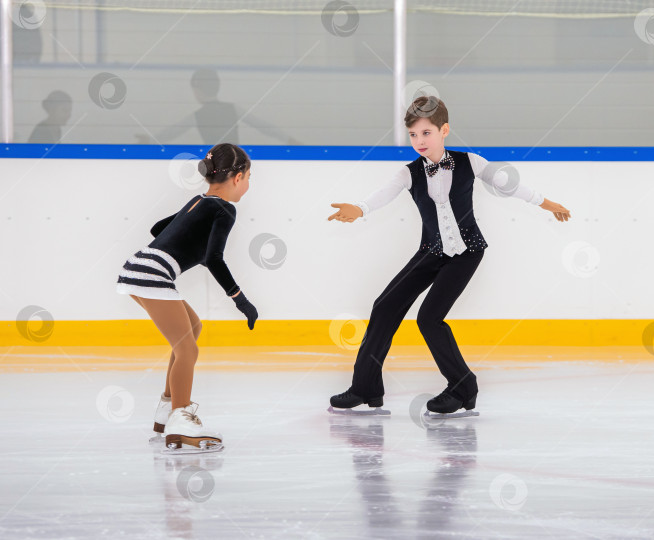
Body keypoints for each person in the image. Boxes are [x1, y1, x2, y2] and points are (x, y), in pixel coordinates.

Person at [327, 96, 571, 416]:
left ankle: (463, 386)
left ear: (444, 130)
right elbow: (384, 193)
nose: (419, 141)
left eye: (426, 133)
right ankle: (366, 387)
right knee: (384, 306)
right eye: (413, 135)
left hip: (466, 252)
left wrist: (546, 203)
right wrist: (360, 208)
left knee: (428, 318)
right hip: (430, 251)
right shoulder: (408, 172)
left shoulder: (471, 161)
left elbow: (509, 185)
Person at [116, 143, 259, 452]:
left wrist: (185, 232)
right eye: (248, 177)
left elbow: (158, 228)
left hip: (141, 267)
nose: (248, 185)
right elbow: (214, 258)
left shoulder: (200, 200)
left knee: (192, 329)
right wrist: (240, 299)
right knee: (188, 350)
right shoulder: (224, 209)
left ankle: (167, 411)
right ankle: (180, 419)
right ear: (237, 177)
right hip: (151, 274)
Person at [136, 68, 296, 145]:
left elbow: (173, 131)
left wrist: (149, 140)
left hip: (216, 164)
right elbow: (262, 126)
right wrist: (287, 139)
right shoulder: (232, 109)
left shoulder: (197, 115)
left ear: (197, 90)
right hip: (235, 161)